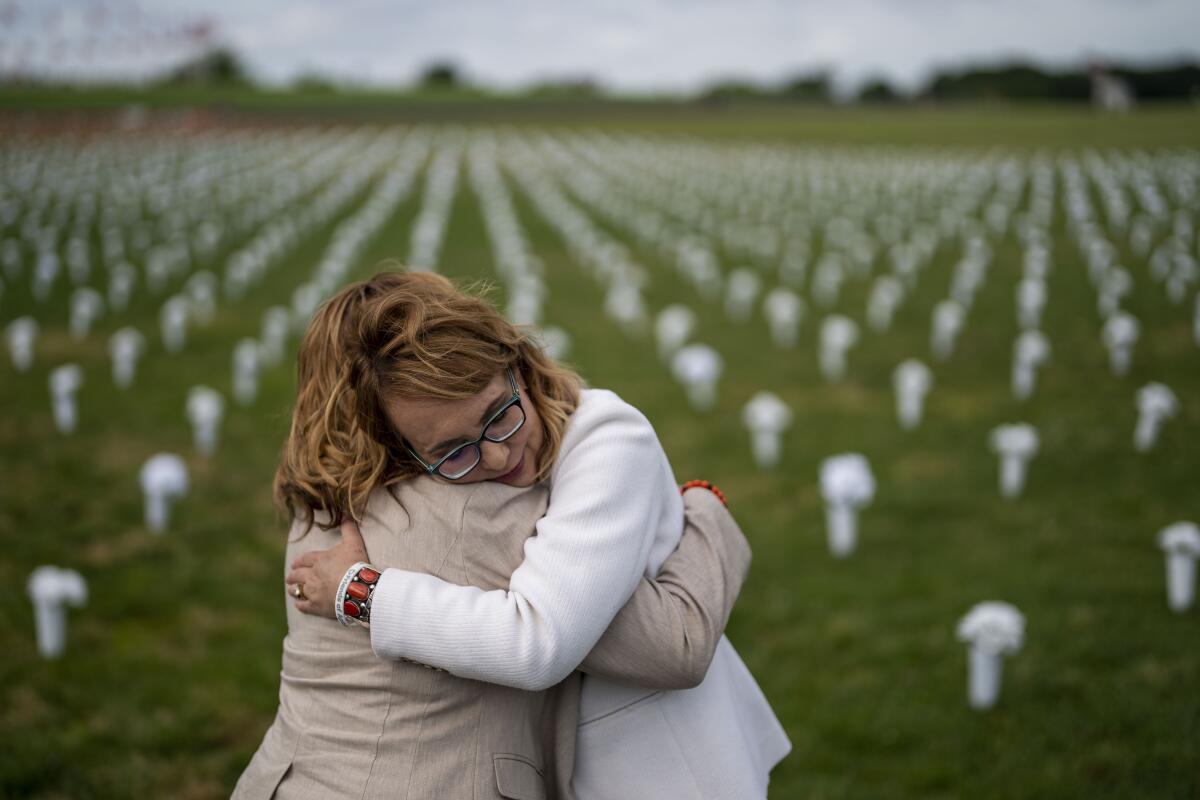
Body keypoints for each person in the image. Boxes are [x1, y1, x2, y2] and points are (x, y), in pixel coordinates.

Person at [281, 270, 790, 797]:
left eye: (500, 414)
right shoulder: (422, 501)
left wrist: (362, 592)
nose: (498, 455)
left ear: (518, 366)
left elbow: (544, 641)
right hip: (584, 763)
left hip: (664, 765)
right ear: (400, 449)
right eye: (453, 451)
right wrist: (706, 513)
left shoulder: (606, 437)